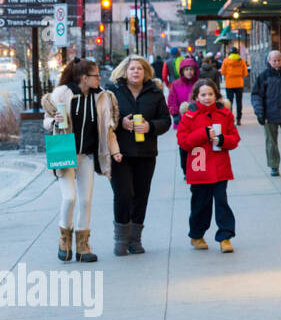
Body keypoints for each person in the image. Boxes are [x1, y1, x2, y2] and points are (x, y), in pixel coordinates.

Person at [41, 59, 122, 263]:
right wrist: (54, 121)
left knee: (86, 200)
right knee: (70, 198)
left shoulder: (103, 96)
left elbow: (107, 128)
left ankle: (83, 246)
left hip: (87, 155)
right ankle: (64, 239)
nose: (99, 78)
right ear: (84, 78)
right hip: (65, 152)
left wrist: (115, 151)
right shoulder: (62, 93)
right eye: (96, 75)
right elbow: (45, 120)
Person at [107, 55, 172, 256]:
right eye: (132, 68)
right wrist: (120, 124)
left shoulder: (155, 93)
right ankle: (120, 239)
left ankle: (135, 240)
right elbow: (103, 120)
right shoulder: (113, 93)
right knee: (124, 194)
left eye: (140, 69)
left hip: (146, 153)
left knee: (141, 196)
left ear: (146, 72)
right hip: (120, 153)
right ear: (124, 72)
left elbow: (166, 121)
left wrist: (150, 126)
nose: (136, 71)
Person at [177, 79, 239, 253]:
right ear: (196, 96)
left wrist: (222, 140)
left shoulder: (225, 114)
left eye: (210, 94)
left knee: (221, 202)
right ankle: (196, 235)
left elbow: (234, 139)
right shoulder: (189, 116)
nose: (207, 98)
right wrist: (202, 134)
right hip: (199, 168)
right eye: (203, 95)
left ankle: (225, 237)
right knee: (200, 204)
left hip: (220, 167)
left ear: (216, 95)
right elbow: (183, 142)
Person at [167, 57, 200, 168]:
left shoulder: (199, 84)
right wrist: (175, 114)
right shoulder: (176, 84)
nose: (189, 72)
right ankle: (185, 168)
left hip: (198, 120)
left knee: (198, 145)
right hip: (182, 120)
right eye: (186, 69)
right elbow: (171, 100)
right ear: (182, 71)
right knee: (184, 145)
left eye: (191, 69)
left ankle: (196, 167)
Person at [220, 47, 249, 124]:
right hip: (239, 83)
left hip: (229, 84)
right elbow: (245, 74)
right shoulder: (242, 61)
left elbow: (222, 72)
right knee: (239, 102)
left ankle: (230, 119)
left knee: (229, 102)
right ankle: (239, 119)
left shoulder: (226, 61)